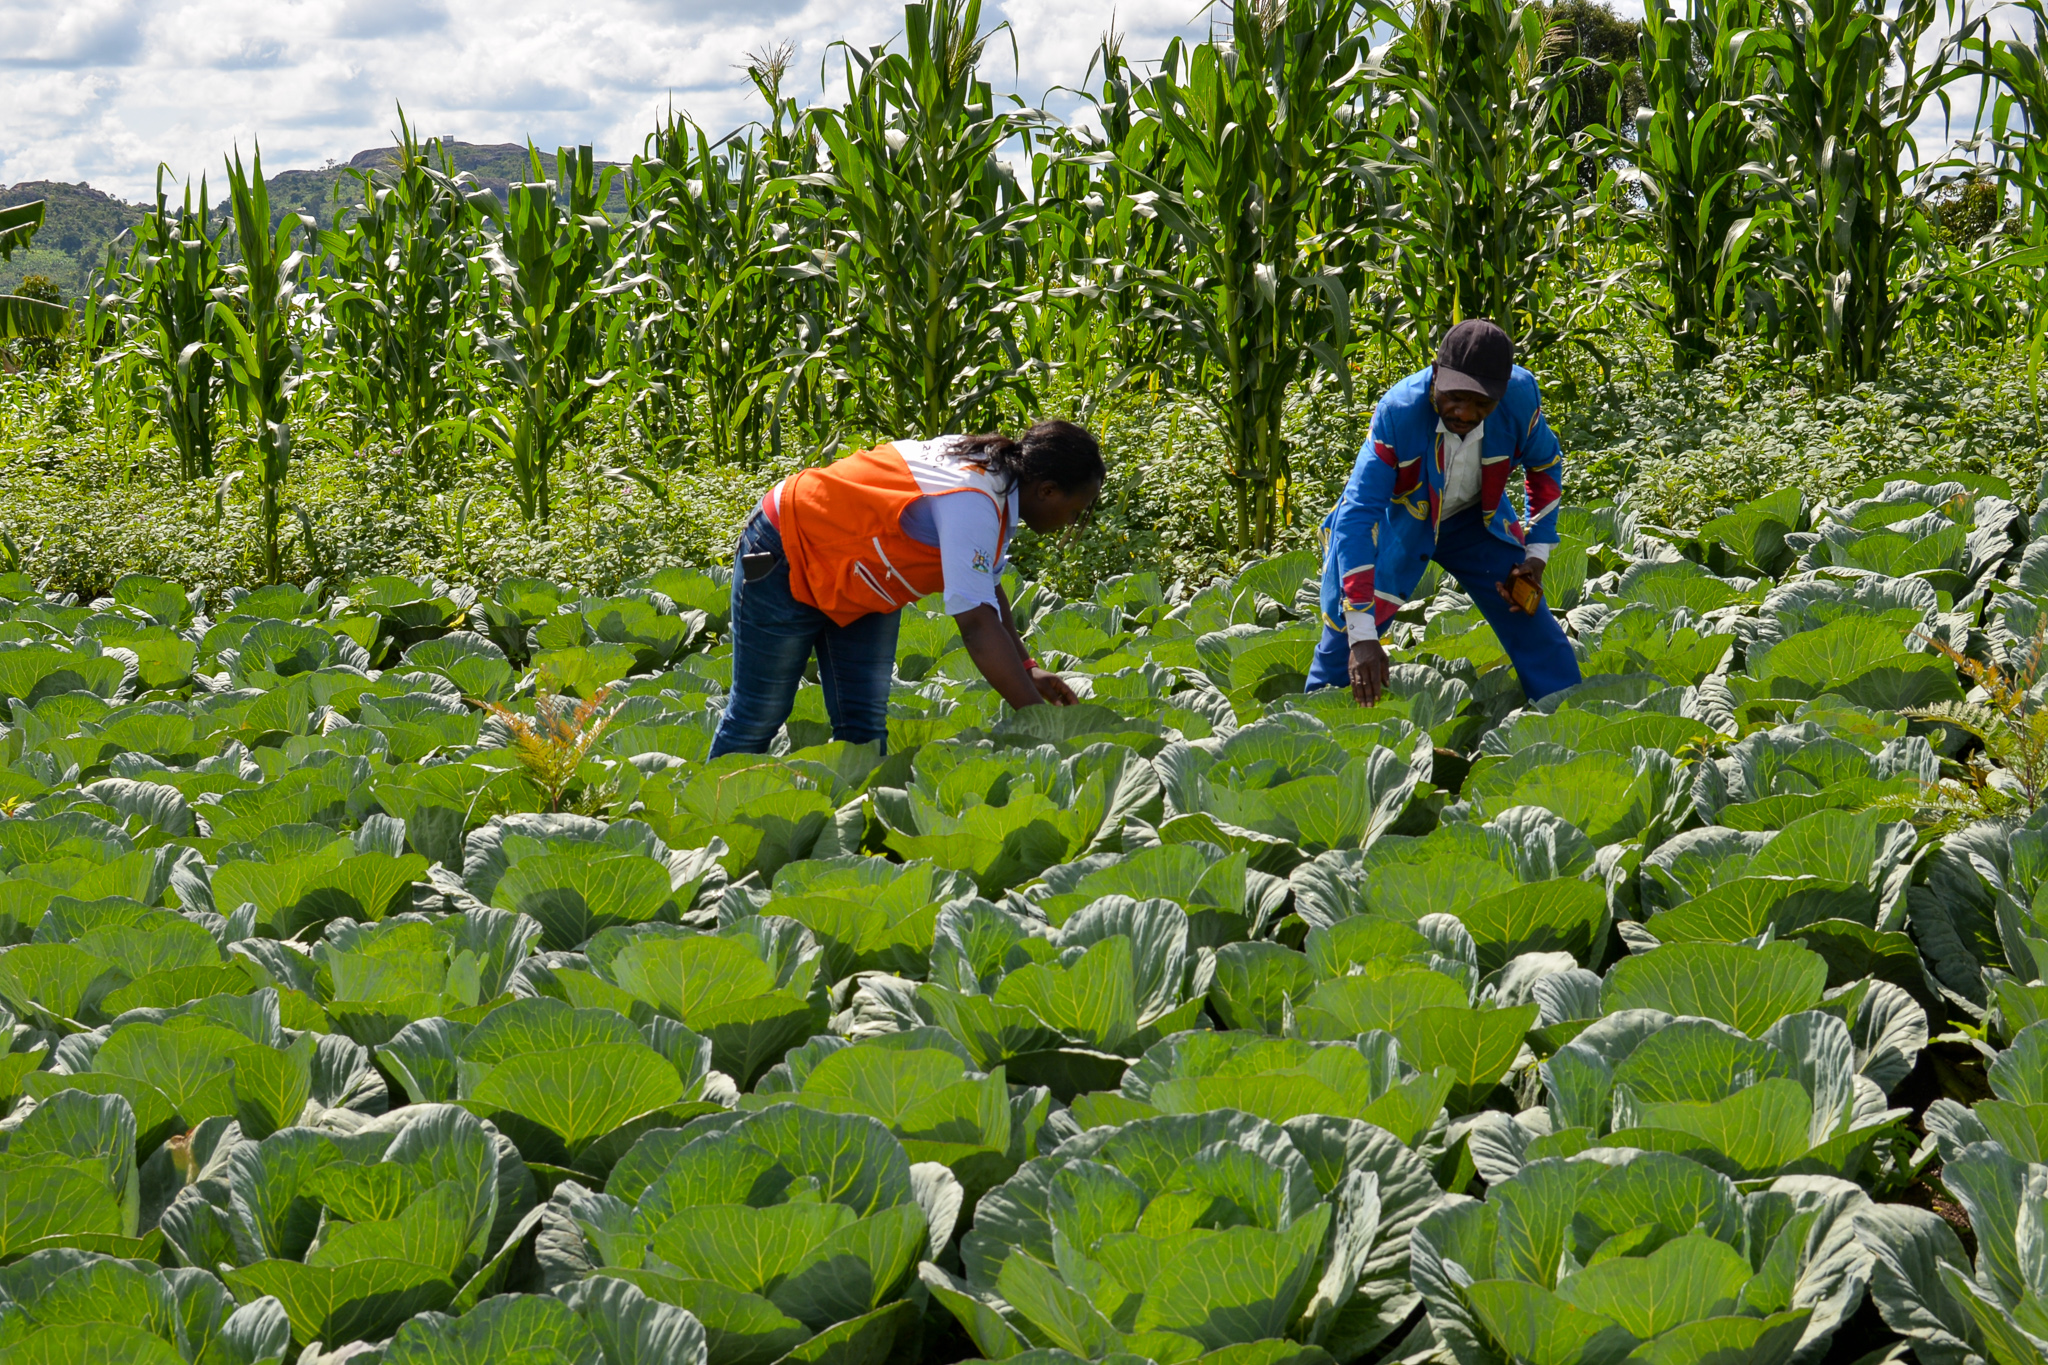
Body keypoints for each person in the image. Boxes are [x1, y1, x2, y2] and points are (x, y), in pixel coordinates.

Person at [709, 421, 1105, 758]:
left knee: (863, 723)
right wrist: (1041, 725)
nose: (1069, 523)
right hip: (788, 547)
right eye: (1073, 512)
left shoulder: (999, 485)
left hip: (862, 576)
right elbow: (978, 627)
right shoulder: (973, 498)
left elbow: (987, 590)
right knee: (758, 715)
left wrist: (1027, 670)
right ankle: (711, 823)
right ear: (1048, 490)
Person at [1310, 319, 1581, 706]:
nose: (1466, 413)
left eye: (1482, 403)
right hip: (1398, 526)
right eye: (1455, 396)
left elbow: (1545, 465)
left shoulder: (1520, 399)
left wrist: (1536, 554)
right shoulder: (1398, 412)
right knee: (1347, 652)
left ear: (1502, 394)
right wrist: (1362, 634)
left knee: (1527, 615)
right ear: (1436, 375)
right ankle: (1313, 728)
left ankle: (1566, 717)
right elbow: (1356, 518)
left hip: (1475, 521)